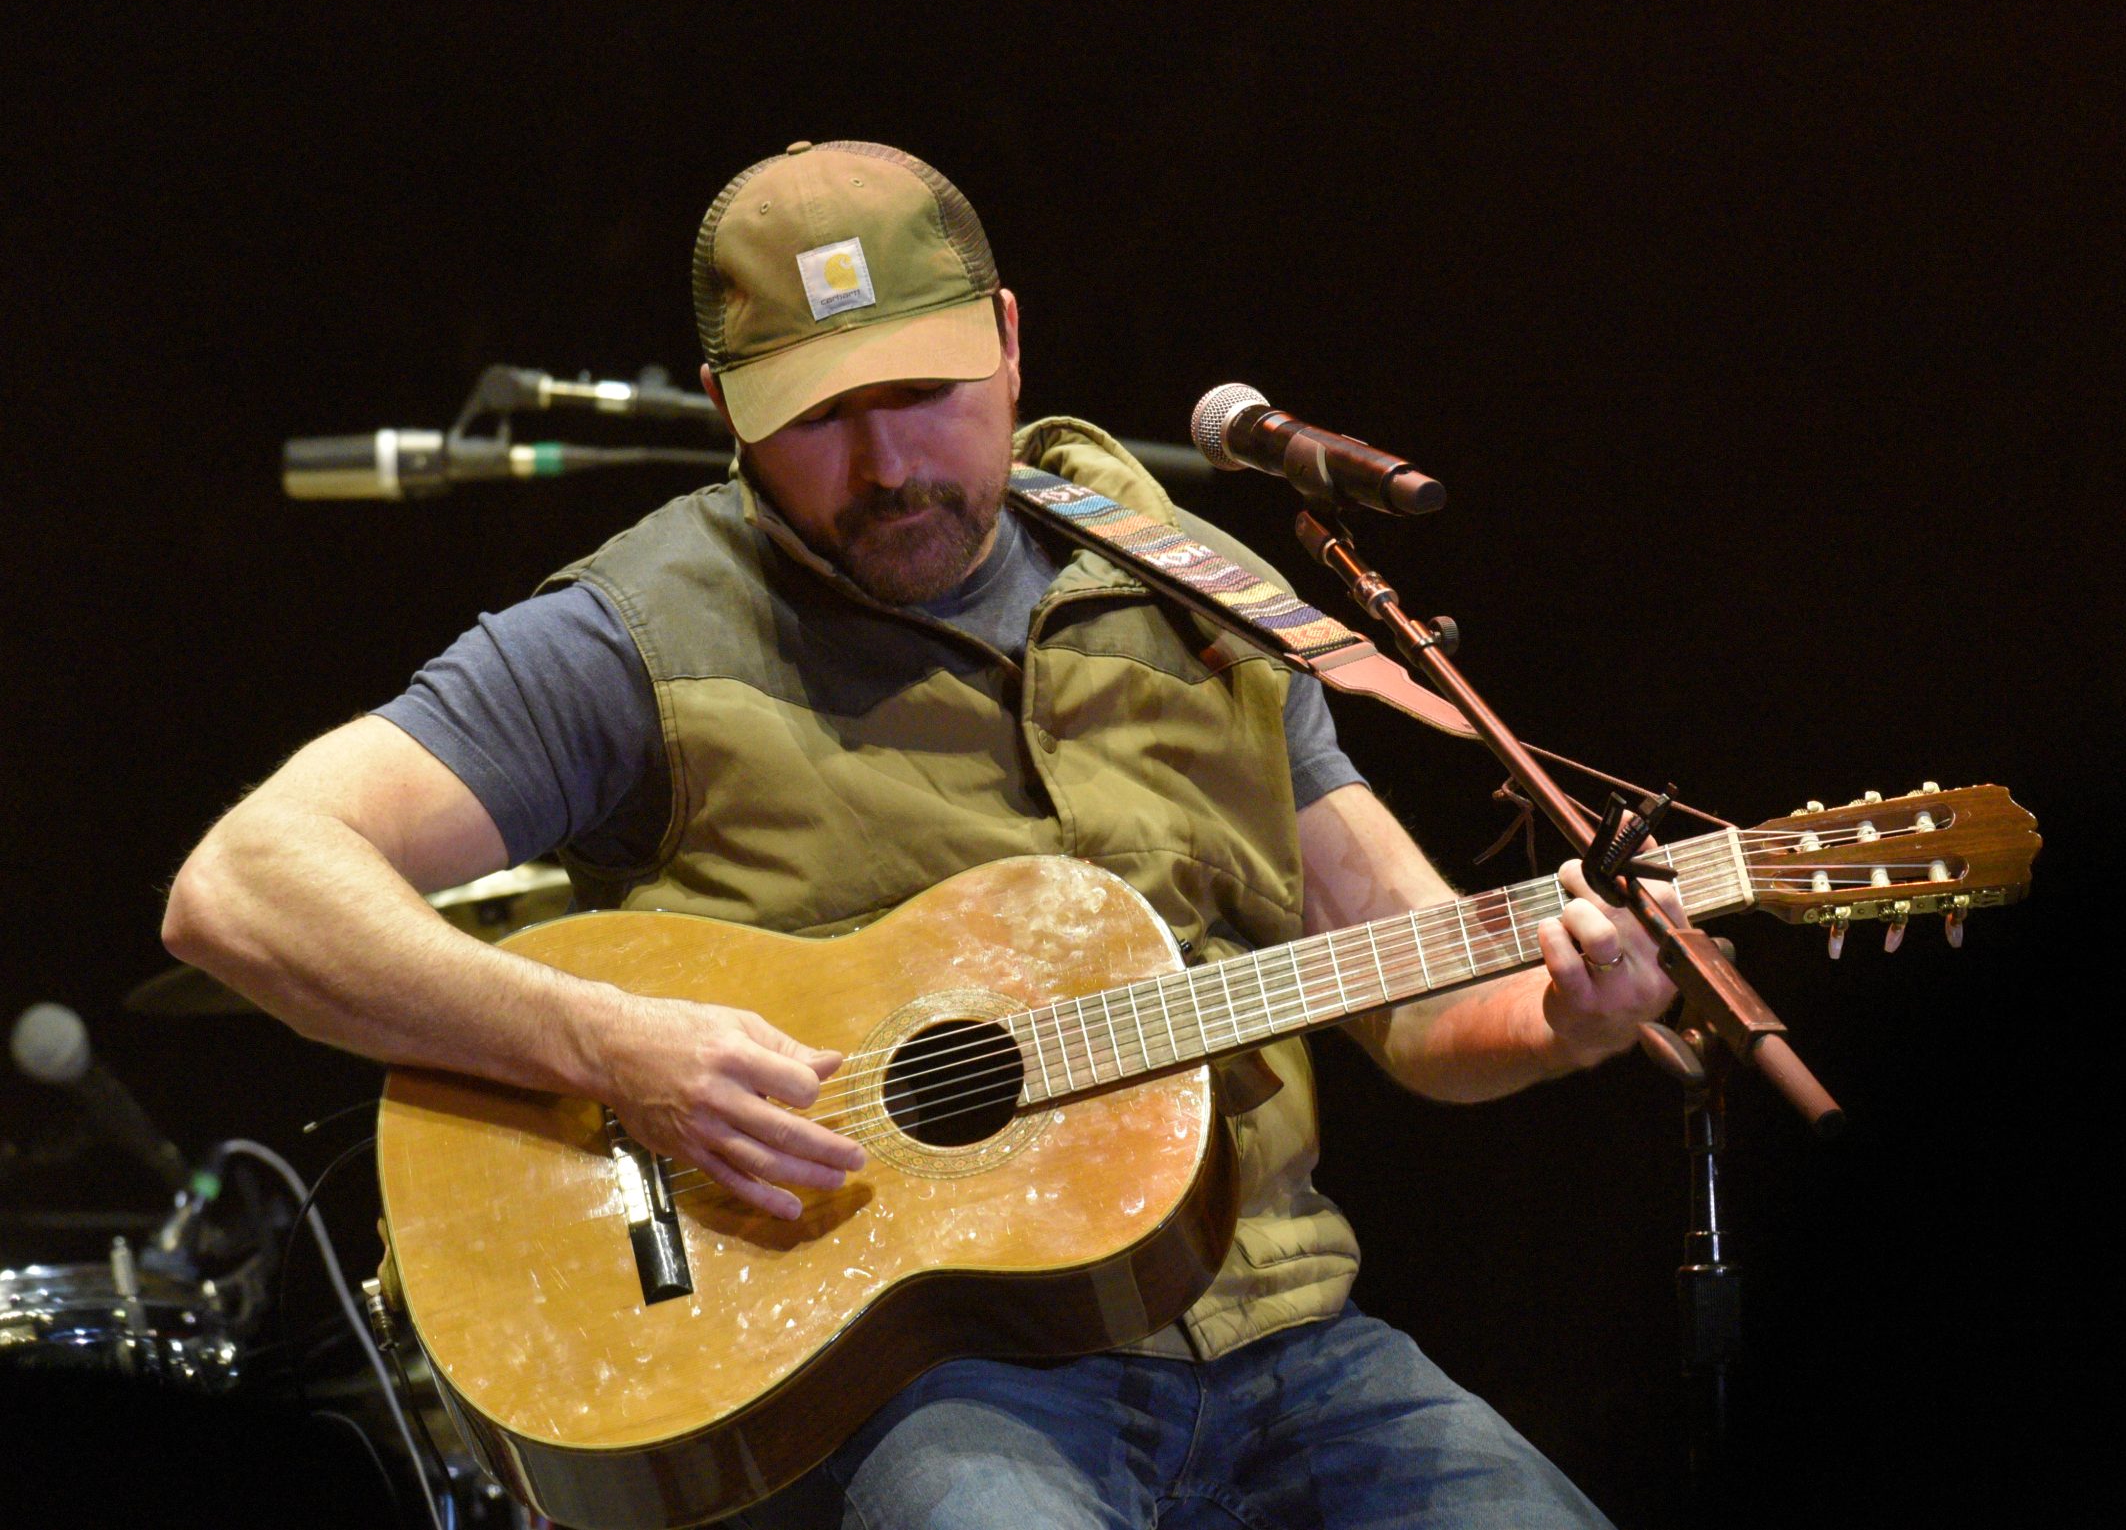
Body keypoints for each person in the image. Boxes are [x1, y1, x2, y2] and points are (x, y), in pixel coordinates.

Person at [163, 140, 1686, 1528]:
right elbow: (243, 887)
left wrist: (1565, 1011)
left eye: (926, 393)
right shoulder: (635, 631)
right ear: (725, 412)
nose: (889, 463)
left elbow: (1414, 995)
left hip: (1292, 1333)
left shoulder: (1187, 583)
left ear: (1011, 341)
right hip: (937, 1385)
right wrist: (607, 1044)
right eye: (821, 418)